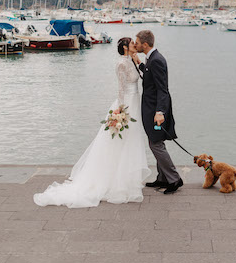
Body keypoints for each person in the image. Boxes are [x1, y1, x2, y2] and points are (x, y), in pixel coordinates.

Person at [33, 37, 150, 208]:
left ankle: (127, 178)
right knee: (122, 141)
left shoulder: (131, 60)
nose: (135, 45)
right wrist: (121, 111)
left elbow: (141, 76)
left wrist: (138, 61)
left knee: (131, 140)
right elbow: (121, 89)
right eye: (132, 43)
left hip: (135, 101)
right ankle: (116, 181)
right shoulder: (121, 64)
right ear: (125, 47)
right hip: (127, 105)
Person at [134, 29, 183, 194]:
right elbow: (149, 78)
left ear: (145, 44)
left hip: (155, 109)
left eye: (138, 43)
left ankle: (174, 179)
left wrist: (160, 112)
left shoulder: (156, 60)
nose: (136, 45)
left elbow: (163, 89)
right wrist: (137, 61)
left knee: (156, 144)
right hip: (151, 108)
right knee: (154, 142)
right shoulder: (151, 58)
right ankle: (162, 177)